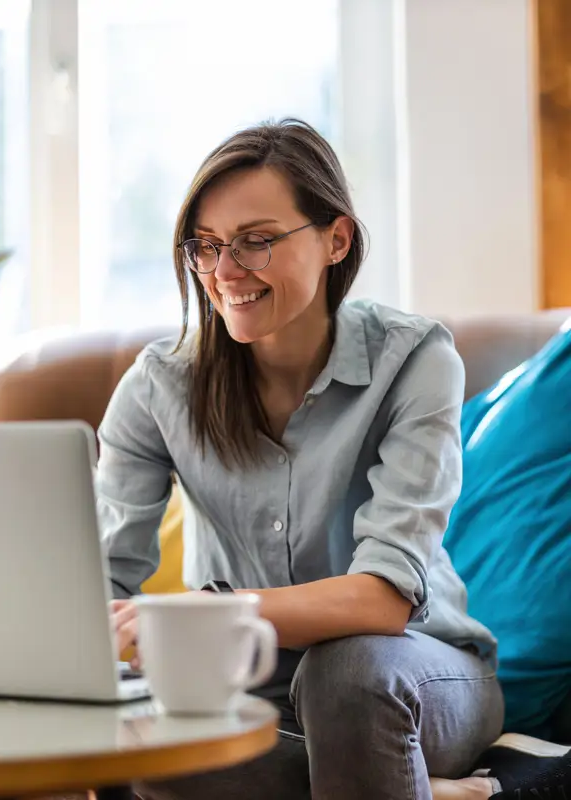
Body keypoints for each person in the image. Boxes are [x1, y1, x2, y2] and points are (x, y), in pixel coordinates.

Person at [96, 118, 508, 800]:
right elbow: (100, 583)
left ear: (336, 240)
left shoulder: (415, 361)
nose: (225, 273)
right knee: (145, 745)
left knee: (342, 674)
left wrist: (213, 612)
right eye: (206, 246)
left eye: (256, 241)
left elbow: (382, 598)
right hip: (241, 688)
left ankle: (400, 767)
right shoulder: (158, 386)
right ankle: (413, 787)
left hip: (417, 675)